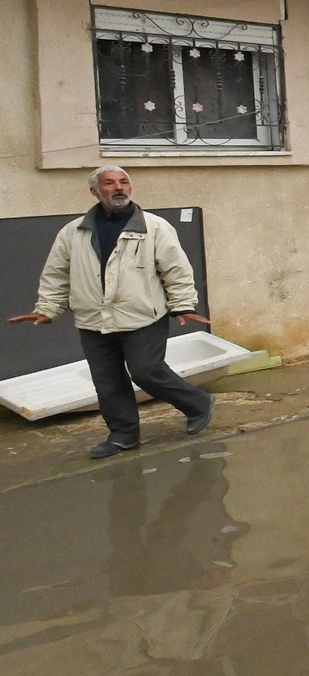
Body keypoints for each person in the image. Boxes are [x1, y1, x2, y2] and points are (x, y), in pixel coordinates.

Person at [10, 166, 215, 458]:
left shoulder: (154, 227)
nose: (119, 188)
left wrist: (182, 304)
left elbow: (176, 268)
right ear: (95, 191)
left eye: (123, 182)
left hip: (143, 315)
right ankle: (123, 435)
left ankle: (197, 403)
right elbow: (57, 274)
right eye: (109, 183)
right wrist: (47, 308)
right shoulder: (73, 232)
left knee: (146, 371)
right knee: (107, 381)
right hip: (93, 319)